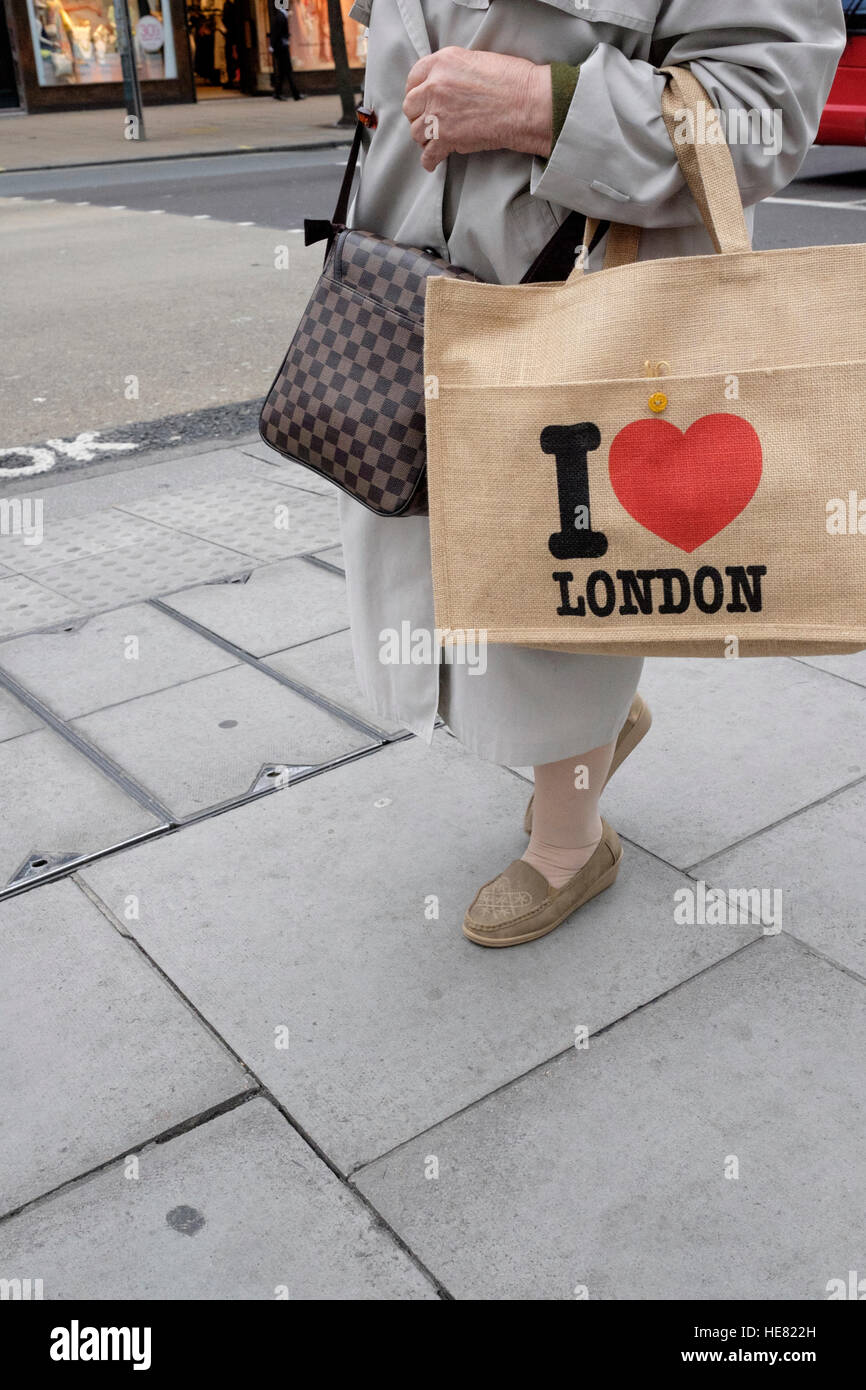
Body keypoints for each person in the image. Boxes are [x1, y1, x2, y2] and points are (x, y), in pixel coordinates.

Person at [341, 0, 847, 947]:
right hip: (406, 290)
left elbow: (765, 110)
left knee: (564, 577)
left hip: (584, 311)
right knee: (454, 554)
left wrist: (547, 105)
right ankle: (597, 732)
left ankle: (571, 844)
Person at [270, 0, 303, 100]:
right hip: (282, 49)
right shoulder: (281, 17)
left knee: (283, 72)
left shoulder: (281, 16)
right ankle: (295, 94)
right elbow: (276, 33)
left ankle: (280, 93)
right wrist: (273, 45)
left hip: (281, 48)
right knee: (287, 71)